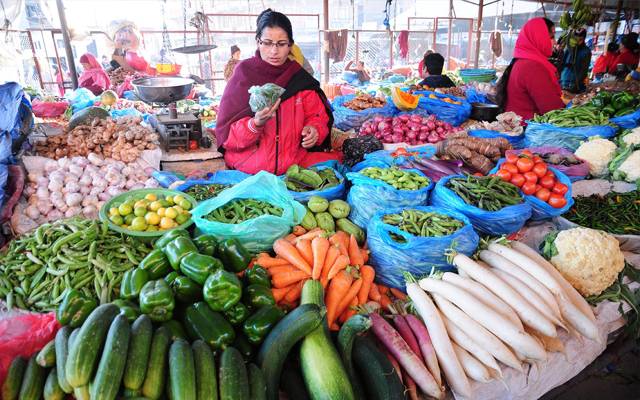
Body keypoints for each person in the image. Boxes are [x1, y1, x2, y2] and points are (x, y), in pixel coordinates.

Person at [215, 9, 337, 175]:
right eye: (267, 43)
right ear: (258, 42)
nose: (274, 51)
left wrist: (314, 131)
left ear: (290, 45)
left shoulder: (298, 78)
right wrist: (254, 124)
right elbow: (228, 138)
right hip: (248, 171)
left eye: (281, 44)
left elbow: (318, 117)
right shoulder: (243, 74)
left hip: (293, 169)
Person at [495, 18, 565, 121]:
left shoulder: (523, 61)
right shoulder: (532, 67)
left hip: (519, 124)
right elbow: (553, 110)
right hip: (528, 129)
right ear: (538, 37)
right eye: (551, 37)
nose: (554, 42)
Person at [560, 29, 591, 93]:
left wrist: (577, 84)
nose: (578, 42)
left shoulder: (586, 51)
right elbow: (562, 64)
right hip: (564, 81)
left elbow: (584, 70)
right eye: (576, 39)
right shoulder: (568, 48)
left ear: (584, 39)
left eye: (580, 39)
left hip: (576, 84)